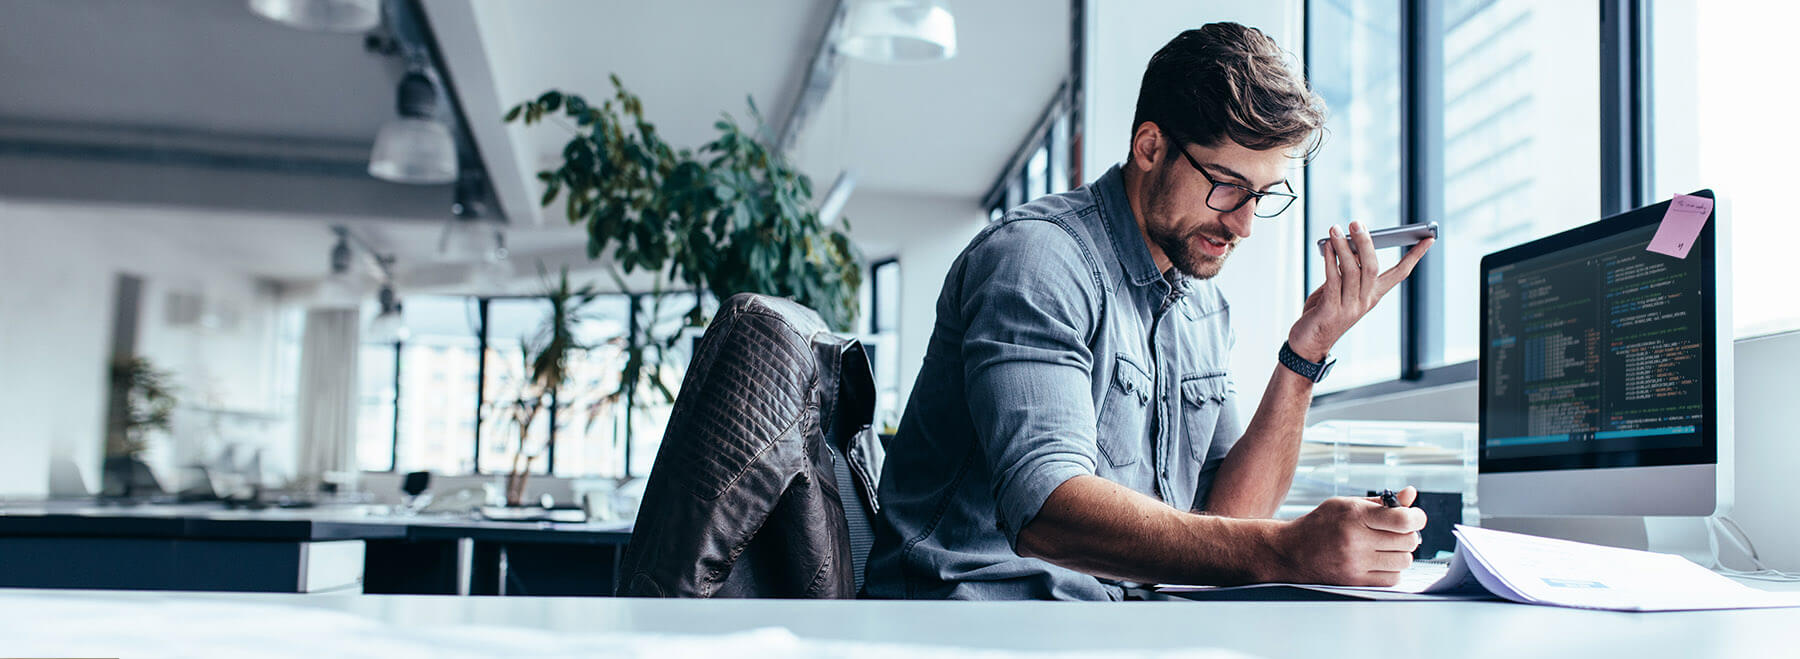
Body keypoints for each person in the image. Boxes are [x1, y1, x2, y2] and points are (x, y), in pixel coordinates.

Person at [864, 22, 1436, 600]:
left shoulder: (1202, 305)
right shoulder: (1036, 260)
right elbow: (1045, 510)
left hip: (1112, 617)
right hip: (973, 618)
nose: (1242, 225)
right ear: (1150, 147)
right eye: (1228, 185)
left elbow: (1226, 523)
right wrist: (1287, 548)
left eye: (1263, 196)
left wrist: (1307, 352)